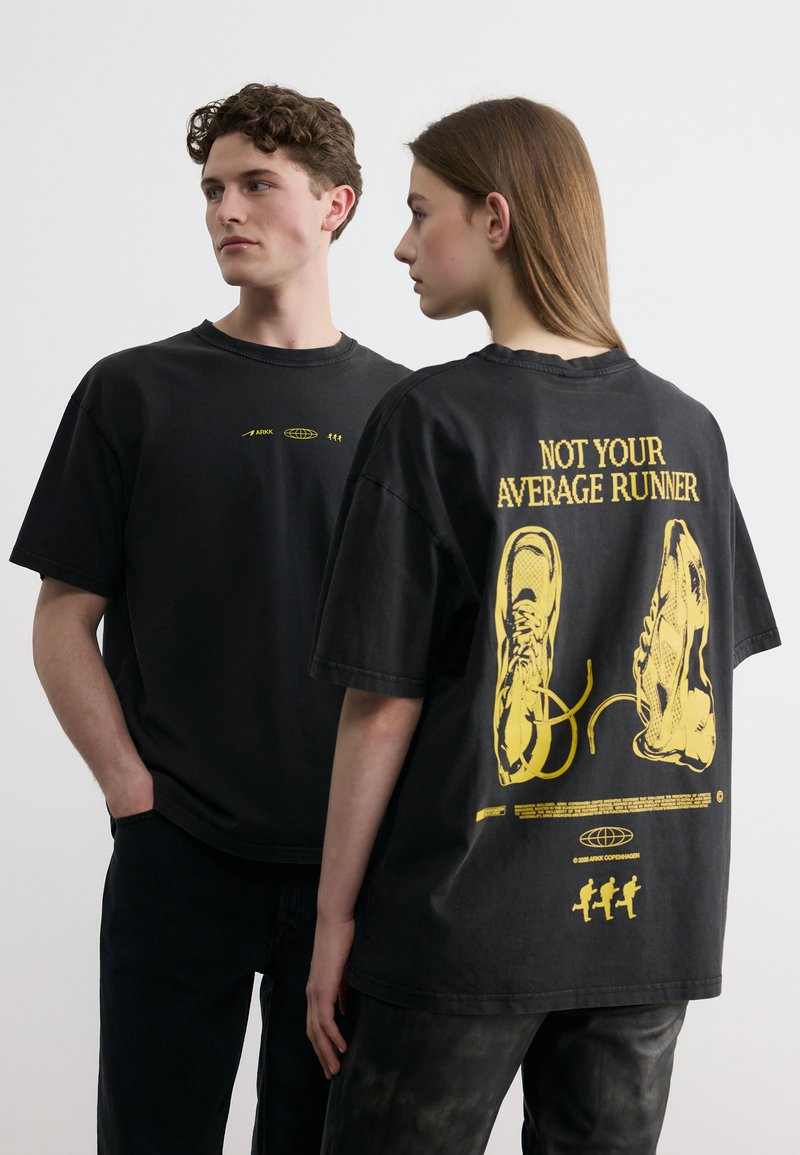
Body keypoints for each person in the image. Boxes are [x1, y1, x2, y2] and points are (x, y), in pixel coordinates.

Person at [305, 97, 780, 1154]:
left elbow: (382, 703)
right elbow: (706, 671)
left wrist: (332, 919)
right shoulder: (685, 428)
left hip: (461, 922)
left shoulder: (430, 420)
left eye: (419, 211)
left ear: (495, 218)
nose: (399, 245)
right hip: (648, 916)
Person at [10, 81, 407, 1154]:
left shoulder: (404, 410)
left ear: (335, 205)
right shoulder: (133, 391)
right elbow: (62, 619)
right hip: (176, 852)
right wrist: (128, 791)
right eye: (212, 189)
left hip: (351, 865)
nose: (225, 210)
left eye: (257, 185)